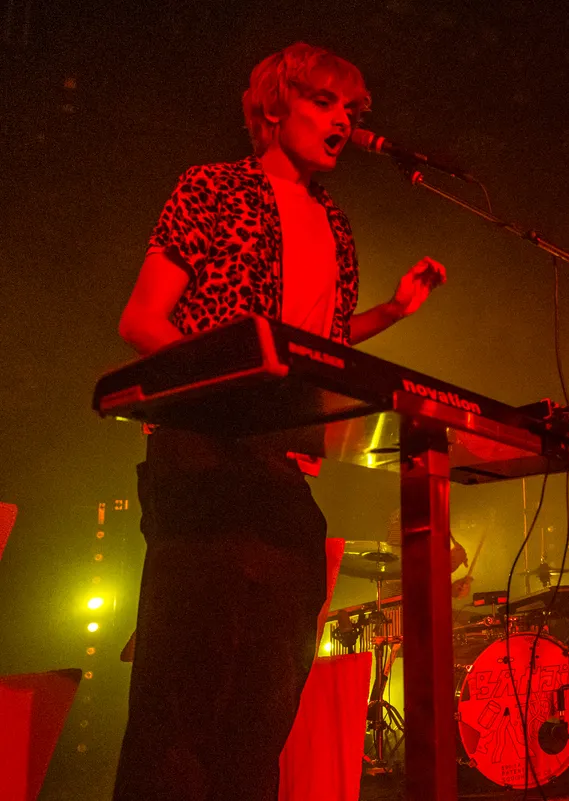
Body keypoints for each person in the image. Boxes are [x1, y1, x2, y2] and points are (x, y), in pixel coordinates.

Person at [112, 42, 446, 801]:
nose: (343, 122)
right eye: (324, 102)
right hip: (203, 451)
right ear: (273, 107)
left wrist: (392, 312)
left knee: (264, 707)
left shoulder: (337, 225)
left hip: (282, 468)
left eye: (351, 110)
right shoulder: (210, 188)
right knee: (183, 699)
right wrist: (239, 384)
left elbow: (315, 350)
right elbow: (142, 320)